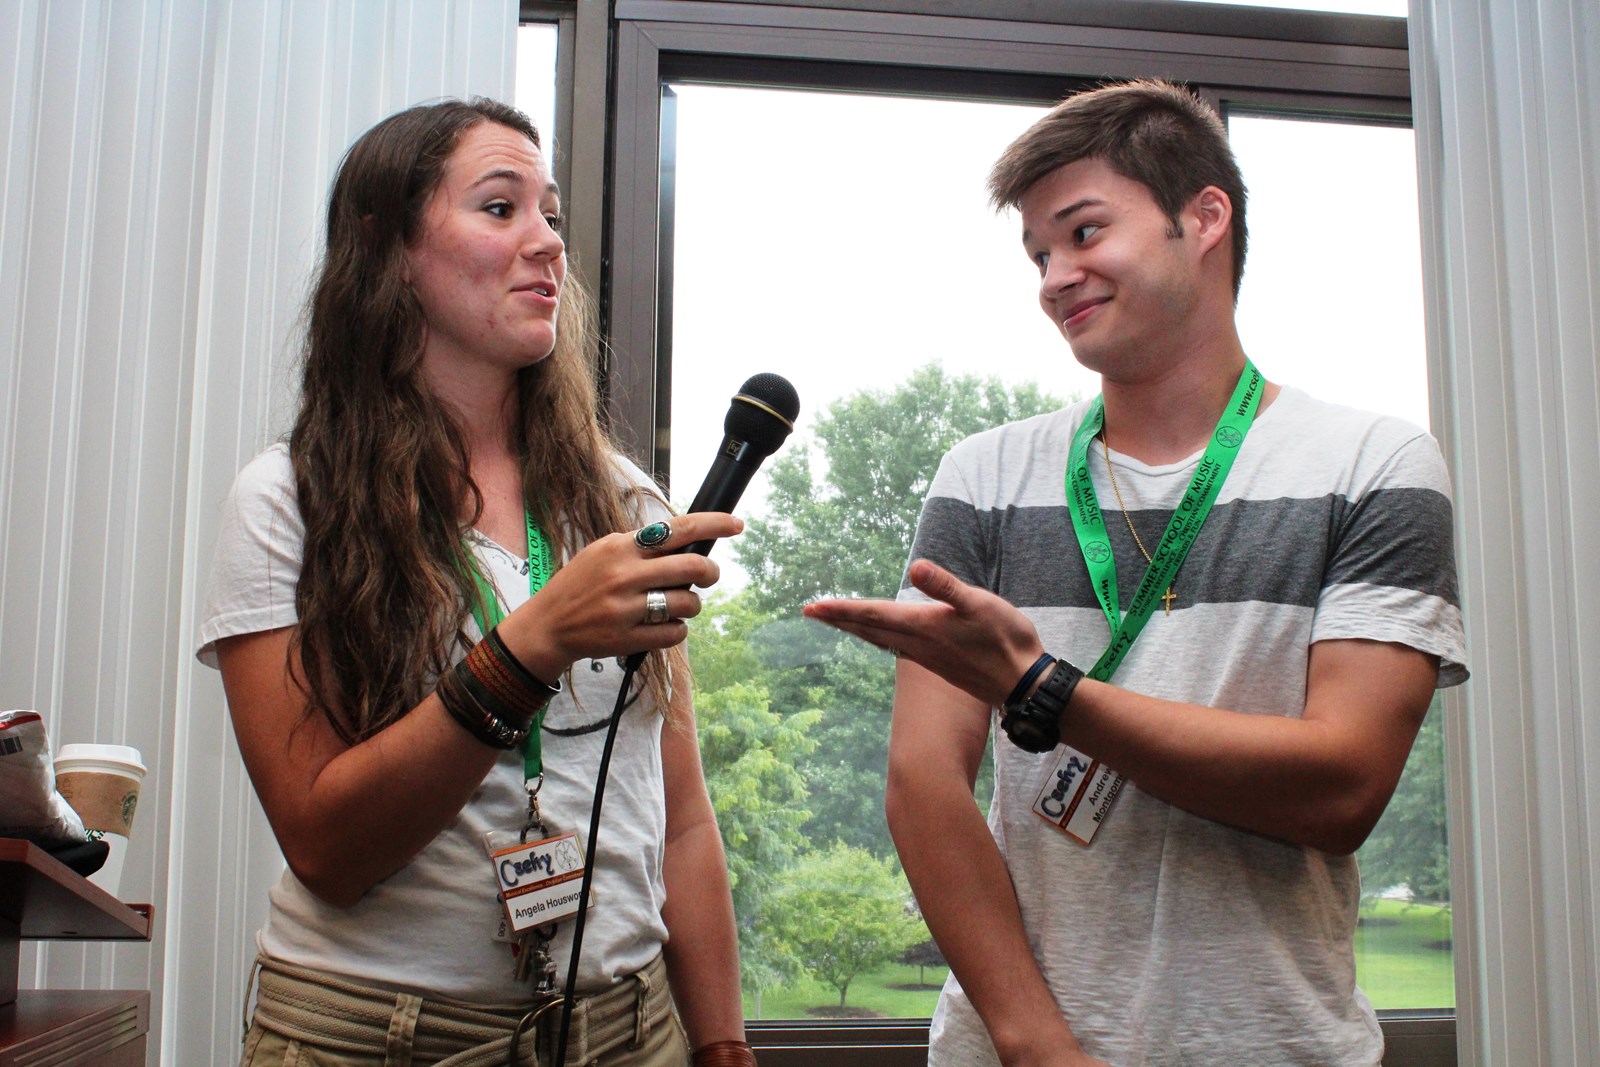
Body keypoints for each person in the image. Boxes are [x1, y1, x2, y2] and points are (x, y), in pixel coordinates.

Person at [804, 79, 1466, 1067]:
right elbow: (921, 781)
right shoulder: (983, 478)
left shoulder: (1373, 464)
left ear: (1204, 218)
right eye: (1037, 254)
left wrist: (1040, 689)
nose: (1053, 278)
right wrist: (1037, 1044)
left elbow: (1342, 787)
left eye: (1082, 232)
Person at [197, 98, 756, 1067]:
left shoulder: (622, 501)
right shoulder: (287, 500)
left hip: (632, 1032)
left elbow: (681, 815)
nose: (548, 243)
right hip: (380, 1035)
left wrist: (721, 1042)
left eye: (552, 214)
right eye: (501, 208)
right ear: (387, 251)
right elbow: (327, 851)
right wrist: (530, 647)